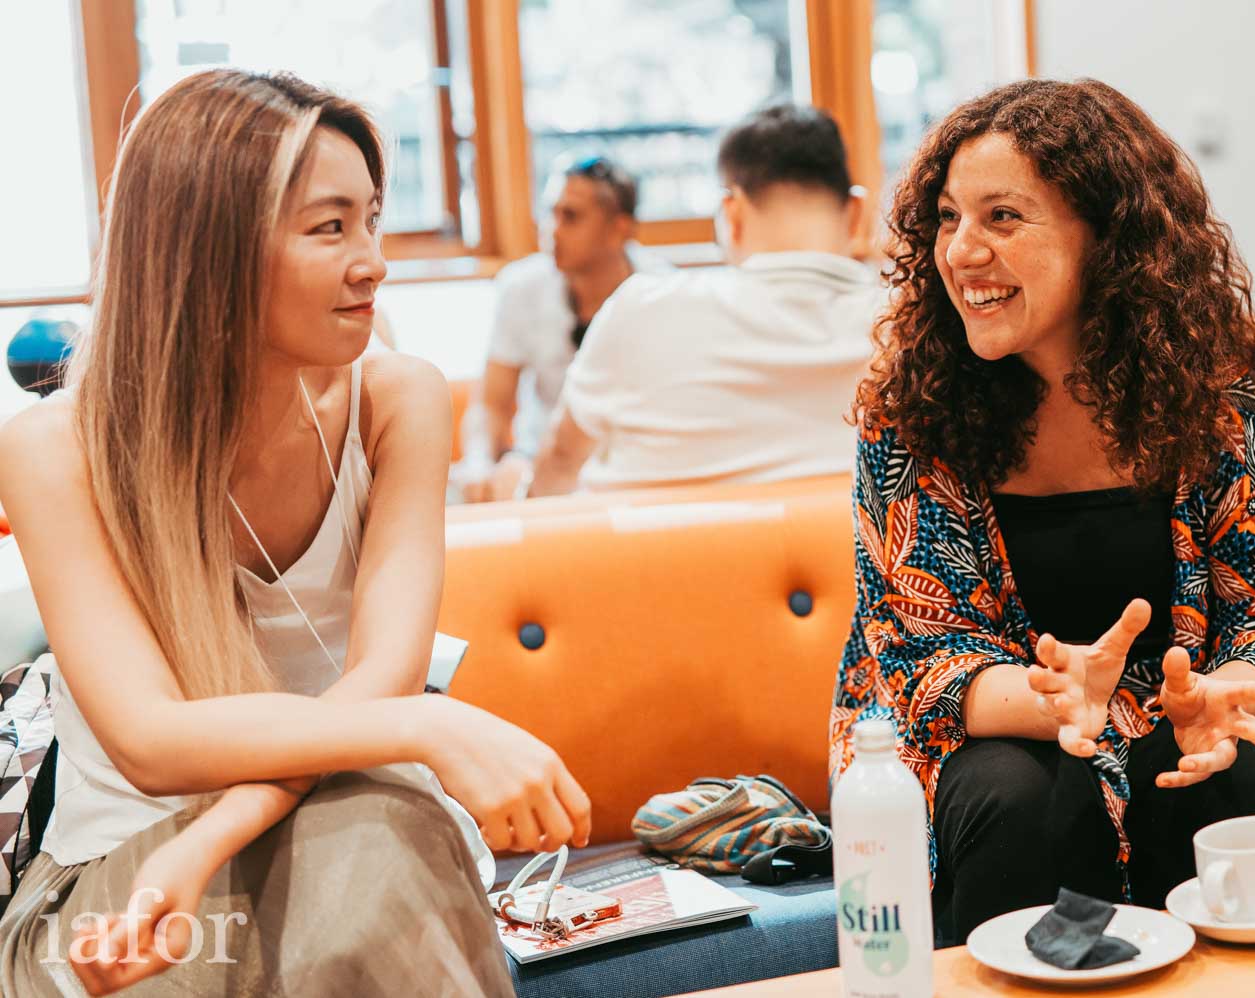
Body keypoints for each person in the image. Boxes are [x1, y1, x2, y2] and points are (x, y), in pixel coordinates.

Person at [0, 70, 590, 996]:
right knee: (372, 853)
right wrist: (424, 722)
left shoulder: (398, 400)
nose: (373, 262)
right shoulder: (55, 448)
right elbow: (151, 740)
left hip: (337, 829)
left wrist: (211, 839)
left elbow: (382, 686)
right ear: (211, 248)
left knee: (380, 839)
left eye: (372, 221)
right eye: (329, 227)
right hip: (122, 864)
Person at [828, 78, 1255, 942]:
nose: (961, 250)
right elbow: (918, 655)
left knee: (1253, 775)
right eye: (949, 218)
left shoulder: (1219, 399)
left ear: (1106, 236)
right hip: (990, 723)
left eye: (1002, 217)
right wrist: (1060, 701)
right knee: (1015, 795)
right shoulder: (913, 412)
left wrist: (1225, 693)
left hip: (1175, 707)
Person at [527, 105, 883, 496]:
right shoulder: (906, 326)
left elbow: (559, 463)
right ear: (856, 214)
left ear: (732, 213)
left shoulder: (642, 308)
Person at [459, 157, 671, 502]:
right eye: (550, 213)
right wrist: (478, 462)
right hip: (538, 463)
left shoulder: (662, 291)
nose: (552, 230)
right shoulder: (521, 287)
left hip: (631, 465)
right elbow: (491, 405)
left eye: (570, 217)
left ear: (619, 229)